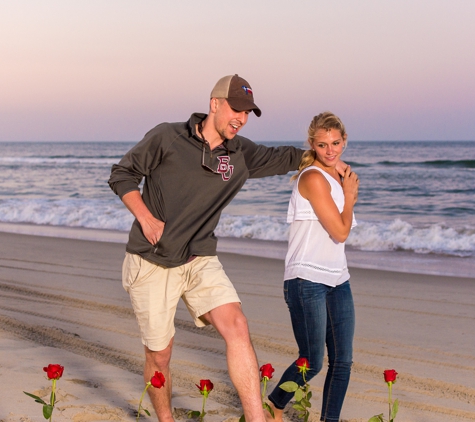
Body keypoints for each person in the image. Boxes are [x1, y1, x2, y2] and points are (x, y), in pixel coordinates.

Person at [108, 74, 306, 421]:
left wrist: (324, 153)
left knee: (237, 325)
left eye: (248, 113)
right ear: (214, 104)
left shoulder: (240, 152)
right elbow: (122, 174)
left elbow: (284, 157)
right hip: (152, 261)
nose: (241, 119)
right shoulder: (167, 136)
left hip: (199, 258)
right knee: (160, 356)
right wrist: (146, 218)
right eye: (237, 110)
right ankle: (166, 419)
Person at [266, 112, 359, 422]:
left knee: (343, 362)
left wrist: (344, 179)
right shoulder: (313, 178)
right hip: (306, 277)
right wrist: (349, 197)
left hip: (338, 278)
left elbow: (341, 169)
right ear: (312, 144)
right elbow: (341, 231)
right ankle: (275, 405)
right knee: (313, 361)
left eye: (336, 143)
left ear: (344, 141)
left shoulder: (336, 173)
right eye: (322, 144)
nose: (330, 150)